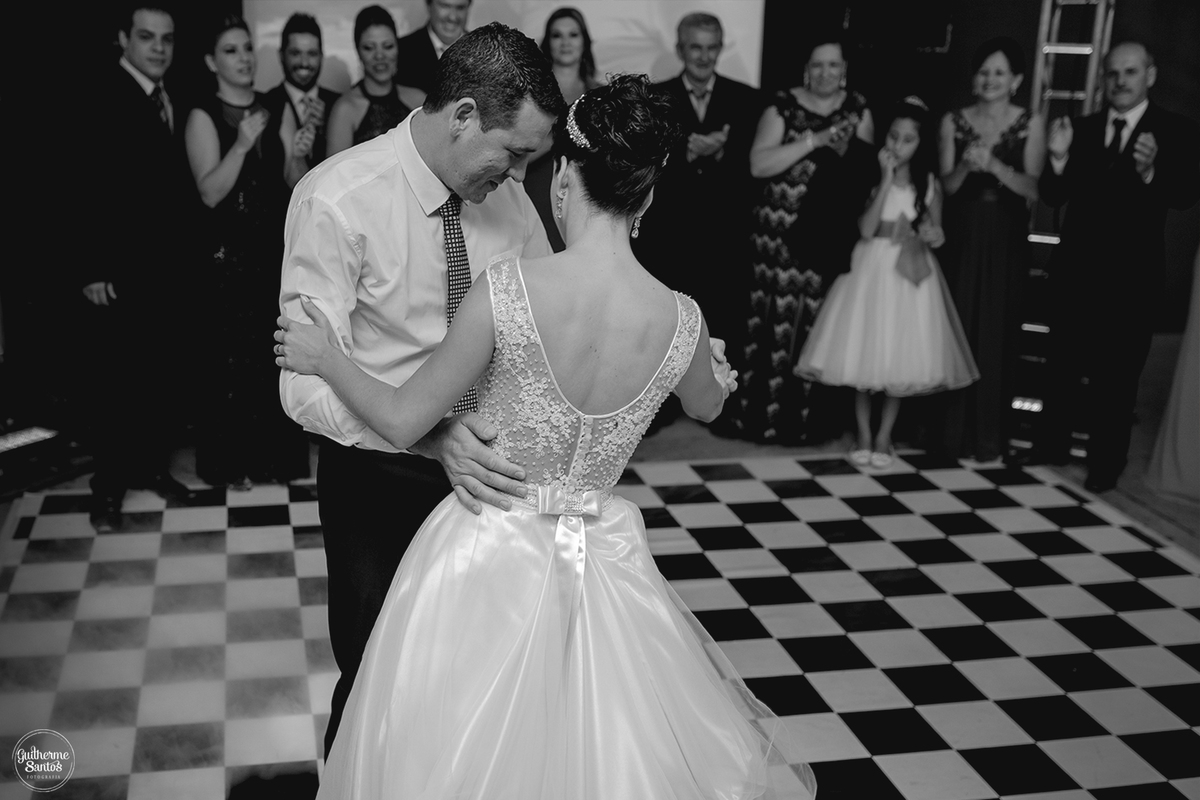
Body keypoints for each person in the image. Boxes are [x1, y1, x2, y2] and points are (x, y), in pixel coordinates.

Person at [277, 74, 816, 800]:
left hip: (486, 551)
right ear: (647, 196)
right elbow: (710, 405)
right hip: (600, 561)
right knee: (589, 743)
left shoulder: (507, 291)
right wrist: (711, 367)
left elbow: (407, 419)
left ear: (563, 175)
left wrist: (329, 360)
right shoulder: (682, 320)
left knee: (452, 744)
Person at [278, 23, 565, 757]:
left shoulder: (509, 202)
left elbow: (548, 321)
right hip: (374, 469)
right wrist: (428, 432)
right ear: (465, 115)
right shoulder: (336, 199)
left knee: (480, 673)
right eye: (516, 153)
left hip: (489, 472)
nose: (520, 176)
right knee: (378, 669)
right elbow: (303, 387)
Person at [1039, 42, 1200, 492]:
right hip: (1075, 275)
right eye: (1113, 73)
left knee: (1117, 379)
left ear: (1149, 75)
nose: (1120, 81)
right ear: (1103, 78)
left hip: (1132, 281)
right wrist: (1057, 158)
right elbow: (1053, 196)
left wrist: (1151, 171)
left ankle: (1105, 465)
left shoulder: (1177, 129)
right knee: (1062, 370)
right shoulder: (1083, 128)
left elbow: (1185, 196)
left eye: (1130, 72)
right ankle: (1049, 449)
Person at [796, 97, 979, 468]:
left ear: (920, 144)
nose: (897, 145)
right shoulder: (870, 174)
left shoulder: (928, 183)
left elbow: (938, 232)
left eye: (907, 140)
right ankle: (864, 432)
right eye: (893, 137)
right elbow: (864, 229)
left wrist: (932, 234)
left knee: (899, 359)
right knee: (865, 355)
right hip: (872, 267)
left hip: (910, 272)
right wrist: (883, 180)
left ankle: (884, 435)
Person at [84, 3, 196, 531]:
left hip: (164, 271)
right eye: (147, 37)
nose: (158, 47)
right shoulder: (102, 94)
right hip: (118, 272)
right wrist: (91, 267)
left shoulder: (168, 96)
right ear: (123, 39)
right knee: (115, 385)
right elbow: (80, 185)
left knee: (157, 376)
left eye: (166, 38)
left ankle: (153, 471)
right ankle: (106, 491)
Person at [736, 38, 876, 444]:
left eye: (834, 65)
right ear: (806, 70)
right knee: (772, 324)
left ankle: (809, 425)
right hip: (776, 239)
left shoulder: (859, 111)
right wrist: (815, 140)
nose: (825, 73)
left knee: (817, 325)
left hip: (827, 236)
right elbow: (758, 164)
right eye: (817, 65)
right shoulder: (782, 106)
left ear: (844, 71)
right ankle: (760, 421)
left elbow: (867, 174)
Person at [186, 15, 305, 487]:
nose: (243, 58)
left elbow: (294, 181)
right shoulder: (203, 114)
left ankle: (275, 462)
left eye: (247, 48)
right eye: (232, 50)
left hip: (270, 253)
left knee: (270, 356)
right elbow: (209, 193)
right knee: (227, 361)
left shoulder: (276, 108)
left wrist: (299, 151)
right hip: (224, 258)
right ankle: (229, 463)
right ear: (213, 62)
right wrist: (241, 145)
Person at [634, 12, 763, 426]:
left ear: (720, 48)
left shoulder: (748, 99)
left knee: (724, 314)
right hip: (671, 234)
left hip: (726, 234)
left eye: (711, 47)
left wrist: (722, 153)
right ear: (680, 49)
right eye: (695, 47)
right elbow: (644, 164)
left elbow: (756, 170)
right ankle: (665, 410)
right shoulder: (658, 97)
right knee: (670, 322)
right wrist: (688, 154)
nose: (703, 56)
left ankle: (721, 406)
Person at [939, 37, 1045, 463]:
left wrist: (997, 166)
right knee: (958, 326)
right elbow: (945, 187)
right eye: (984, 71)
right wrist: (966, 165)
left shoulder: (1030, 123)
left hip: (1005, 236)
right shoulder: (953, 121)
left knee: (999, 331)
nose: (990, 80)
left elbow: (1035, 189)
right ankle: (950, 436)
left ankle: (988, 439)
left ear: (1016, 80)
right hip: (962, 234)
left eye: (999, 73)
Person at [524, 6, 604, 253]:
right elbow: (515, 150)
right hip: (535, 189)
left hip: (587, 196)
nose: (566, 43)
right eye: (557, 35)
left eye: (573, 34)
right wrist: (554, 138)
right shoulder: (529, 94)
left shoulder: (601, 96)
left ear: (585, 41)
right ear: (548, 43)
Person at [326, 6, 426, 156]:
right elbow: (334, 177)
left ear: (398, 48)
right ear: (358, 51)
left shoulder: (418, 100)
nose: (379, 56)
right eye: (369, 48)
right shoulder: (345, 110)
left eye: (388, 46)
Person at [261, 13, 339, 193]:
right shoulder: (265, 105)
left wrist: (327, 128)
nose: (304, 63)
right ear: (281, 55)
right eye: (295, 53)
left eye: (311, 54)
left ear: (321, 56)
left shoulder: (338, 105)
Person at [394, 0, 472, 94]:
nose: (452, 17)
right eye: (445, 6)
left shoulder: (485, 51)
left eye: (460, 8)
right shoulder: (401, 50)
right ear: (429, 6)